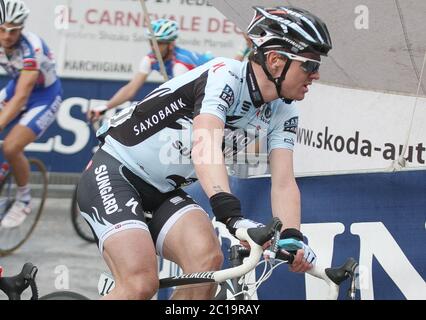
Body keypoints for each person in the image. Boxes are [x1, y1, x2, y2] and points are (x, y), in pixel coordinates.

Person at [77, 6, 332, 300]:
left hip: (163, 192)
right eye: (310, 65)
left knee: (206, 264)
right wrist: (231, 217)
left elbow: (284, 181)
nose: (316, 75)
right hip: (116, 173)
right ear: (276, 62)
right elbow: (206, 144)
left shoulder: (284, 111)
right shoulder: (224, 75)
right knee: (140, 284)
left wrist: (291, 236)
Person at [0, 0, 62, 228]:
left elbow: (21, 97)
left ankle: (24, 198)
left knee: (11, 146)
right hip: (15, 86)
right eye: (2, 29)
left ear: (21, 28)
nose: (7, 36)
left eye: (13, 30)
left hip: (44, 96)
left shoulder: (32, 48)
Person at [88, 18, 213, 122]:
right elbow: (130, 89)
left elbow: (181, 98)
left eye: (159, 43)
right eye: (151, 42)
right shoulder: (151, 59)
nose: (154, 47)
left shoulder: (180, 65)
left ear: (170, 45)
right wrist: (104, 107)